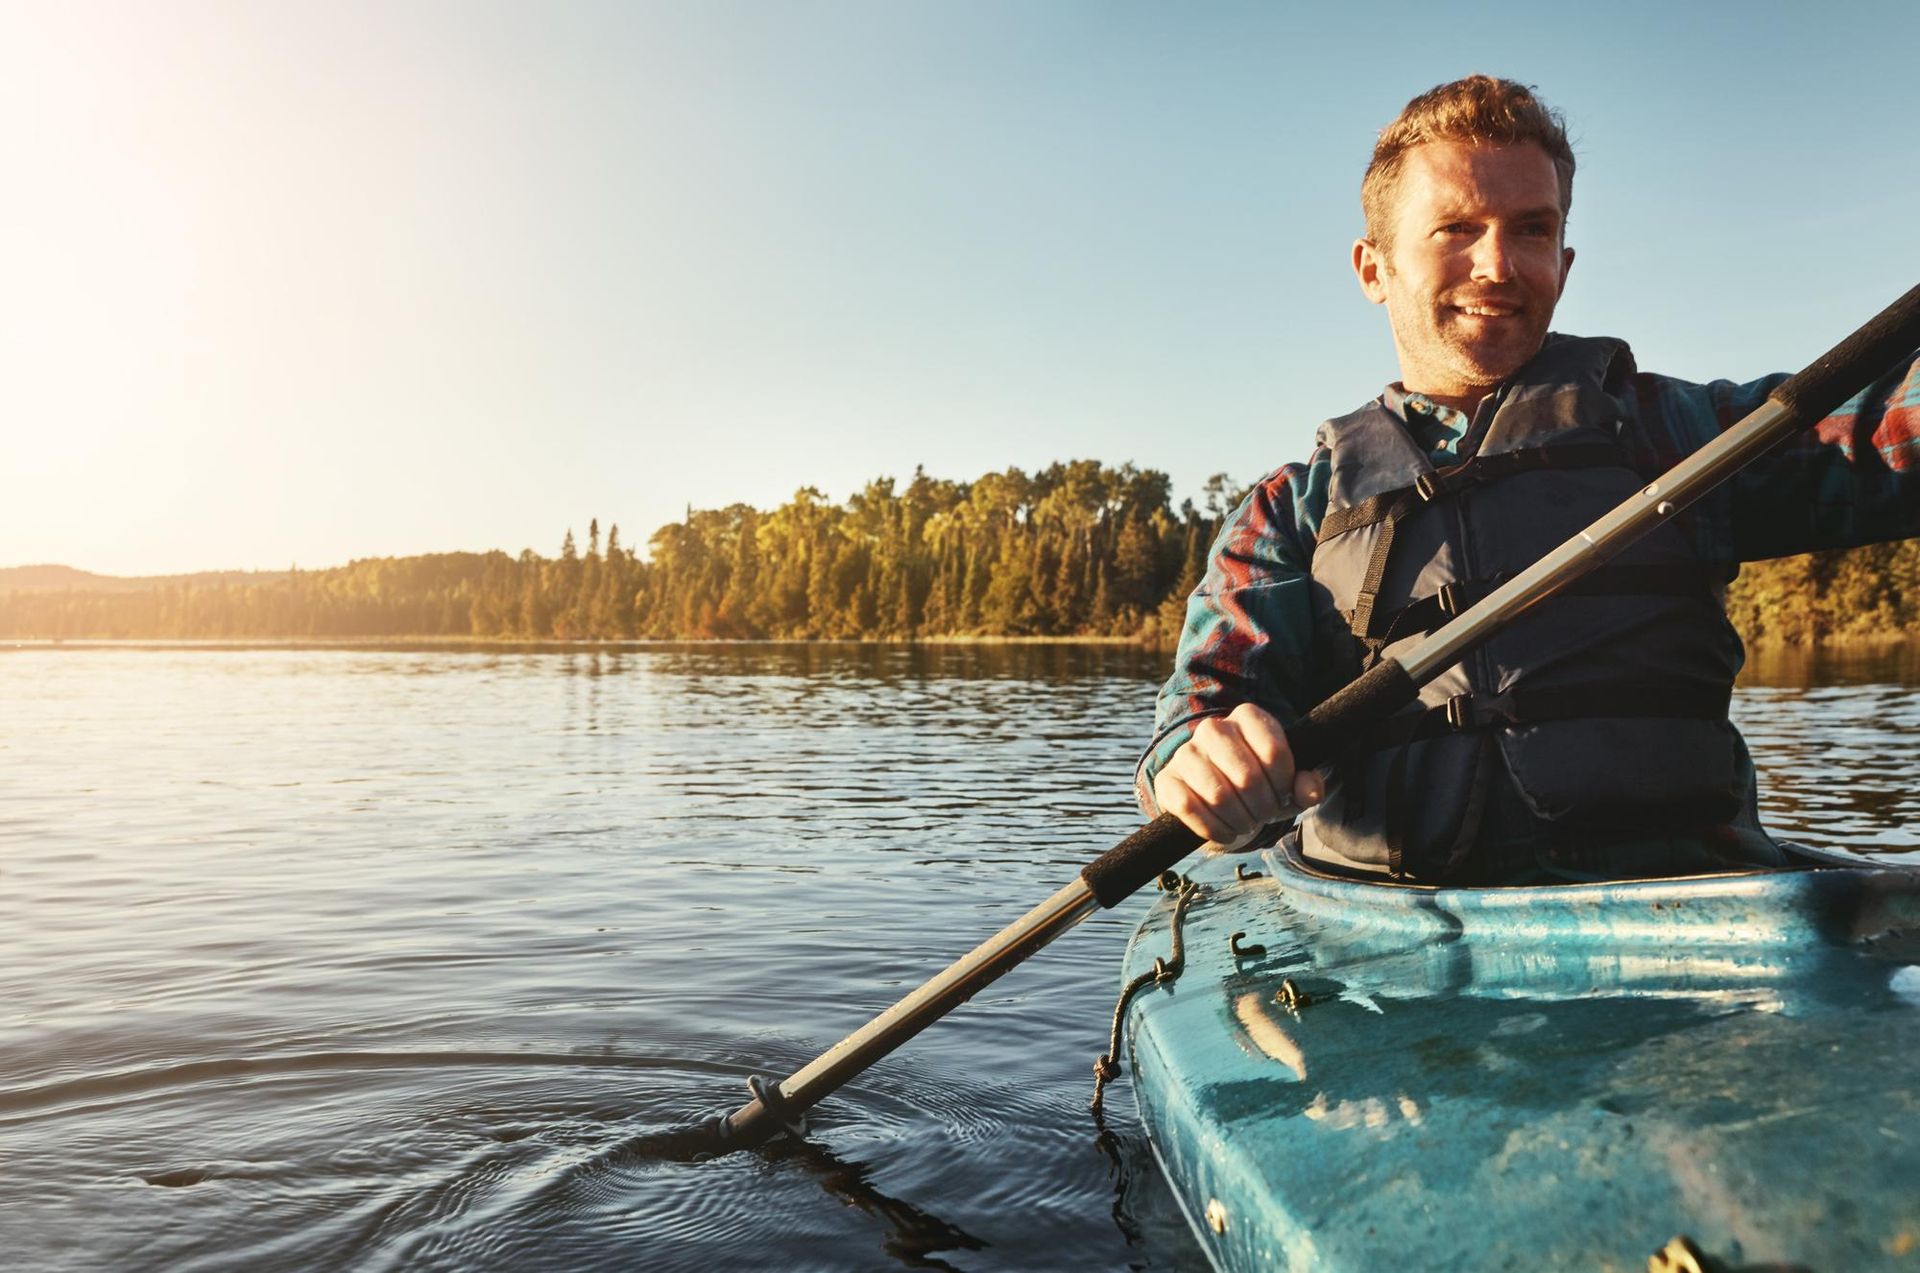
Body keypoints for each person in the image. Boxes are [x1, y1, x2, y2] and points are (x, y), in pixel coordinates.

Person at [1137, 75, 1920, 884]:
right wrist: (1201, 761)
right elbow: (1203, 710)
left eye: (1532, 230)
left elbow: (1889, 430)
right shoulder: (1291, 511)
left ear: (1564, 261)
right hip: (1391, 950)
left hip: (1691, 928)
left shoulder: (1679, 438)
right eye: (1456, 229)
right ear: (1374, 269)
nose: (1499, 265)